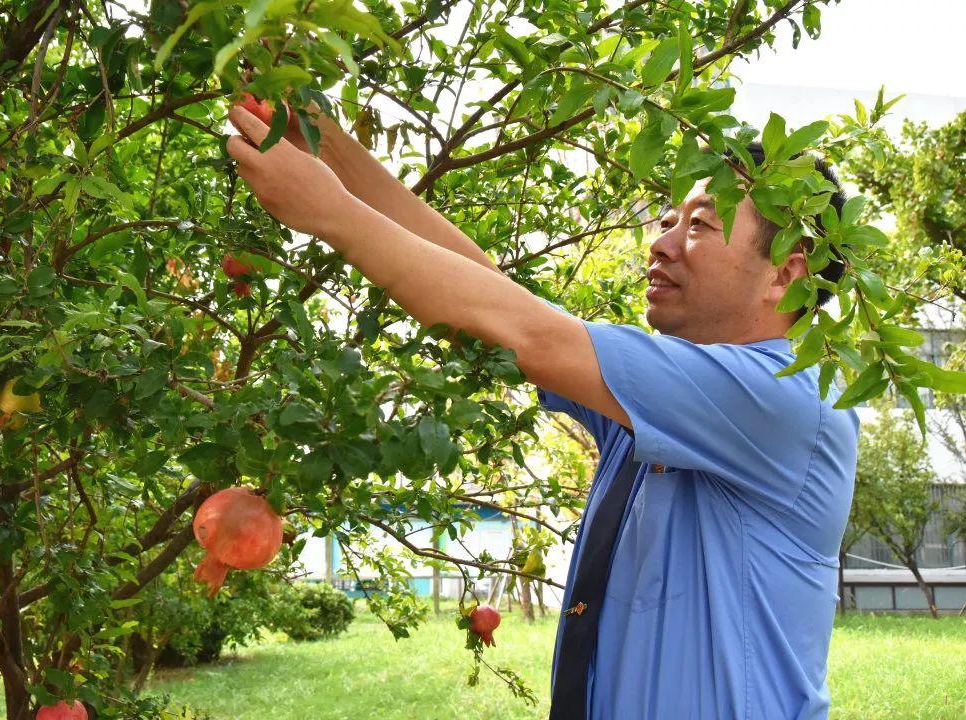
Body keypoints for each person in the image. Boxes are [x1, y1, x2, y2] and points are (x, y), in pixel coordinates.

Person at [225, 101, 860, 719]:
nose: (661, 244)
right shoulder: (664, 401)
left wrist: (330, 212)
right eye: (670, 219)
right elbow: (492, 301)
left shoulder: (790, 399)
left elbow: (527, 331)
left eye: (698, 225)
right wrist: (326, 138)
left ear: (786, 273)